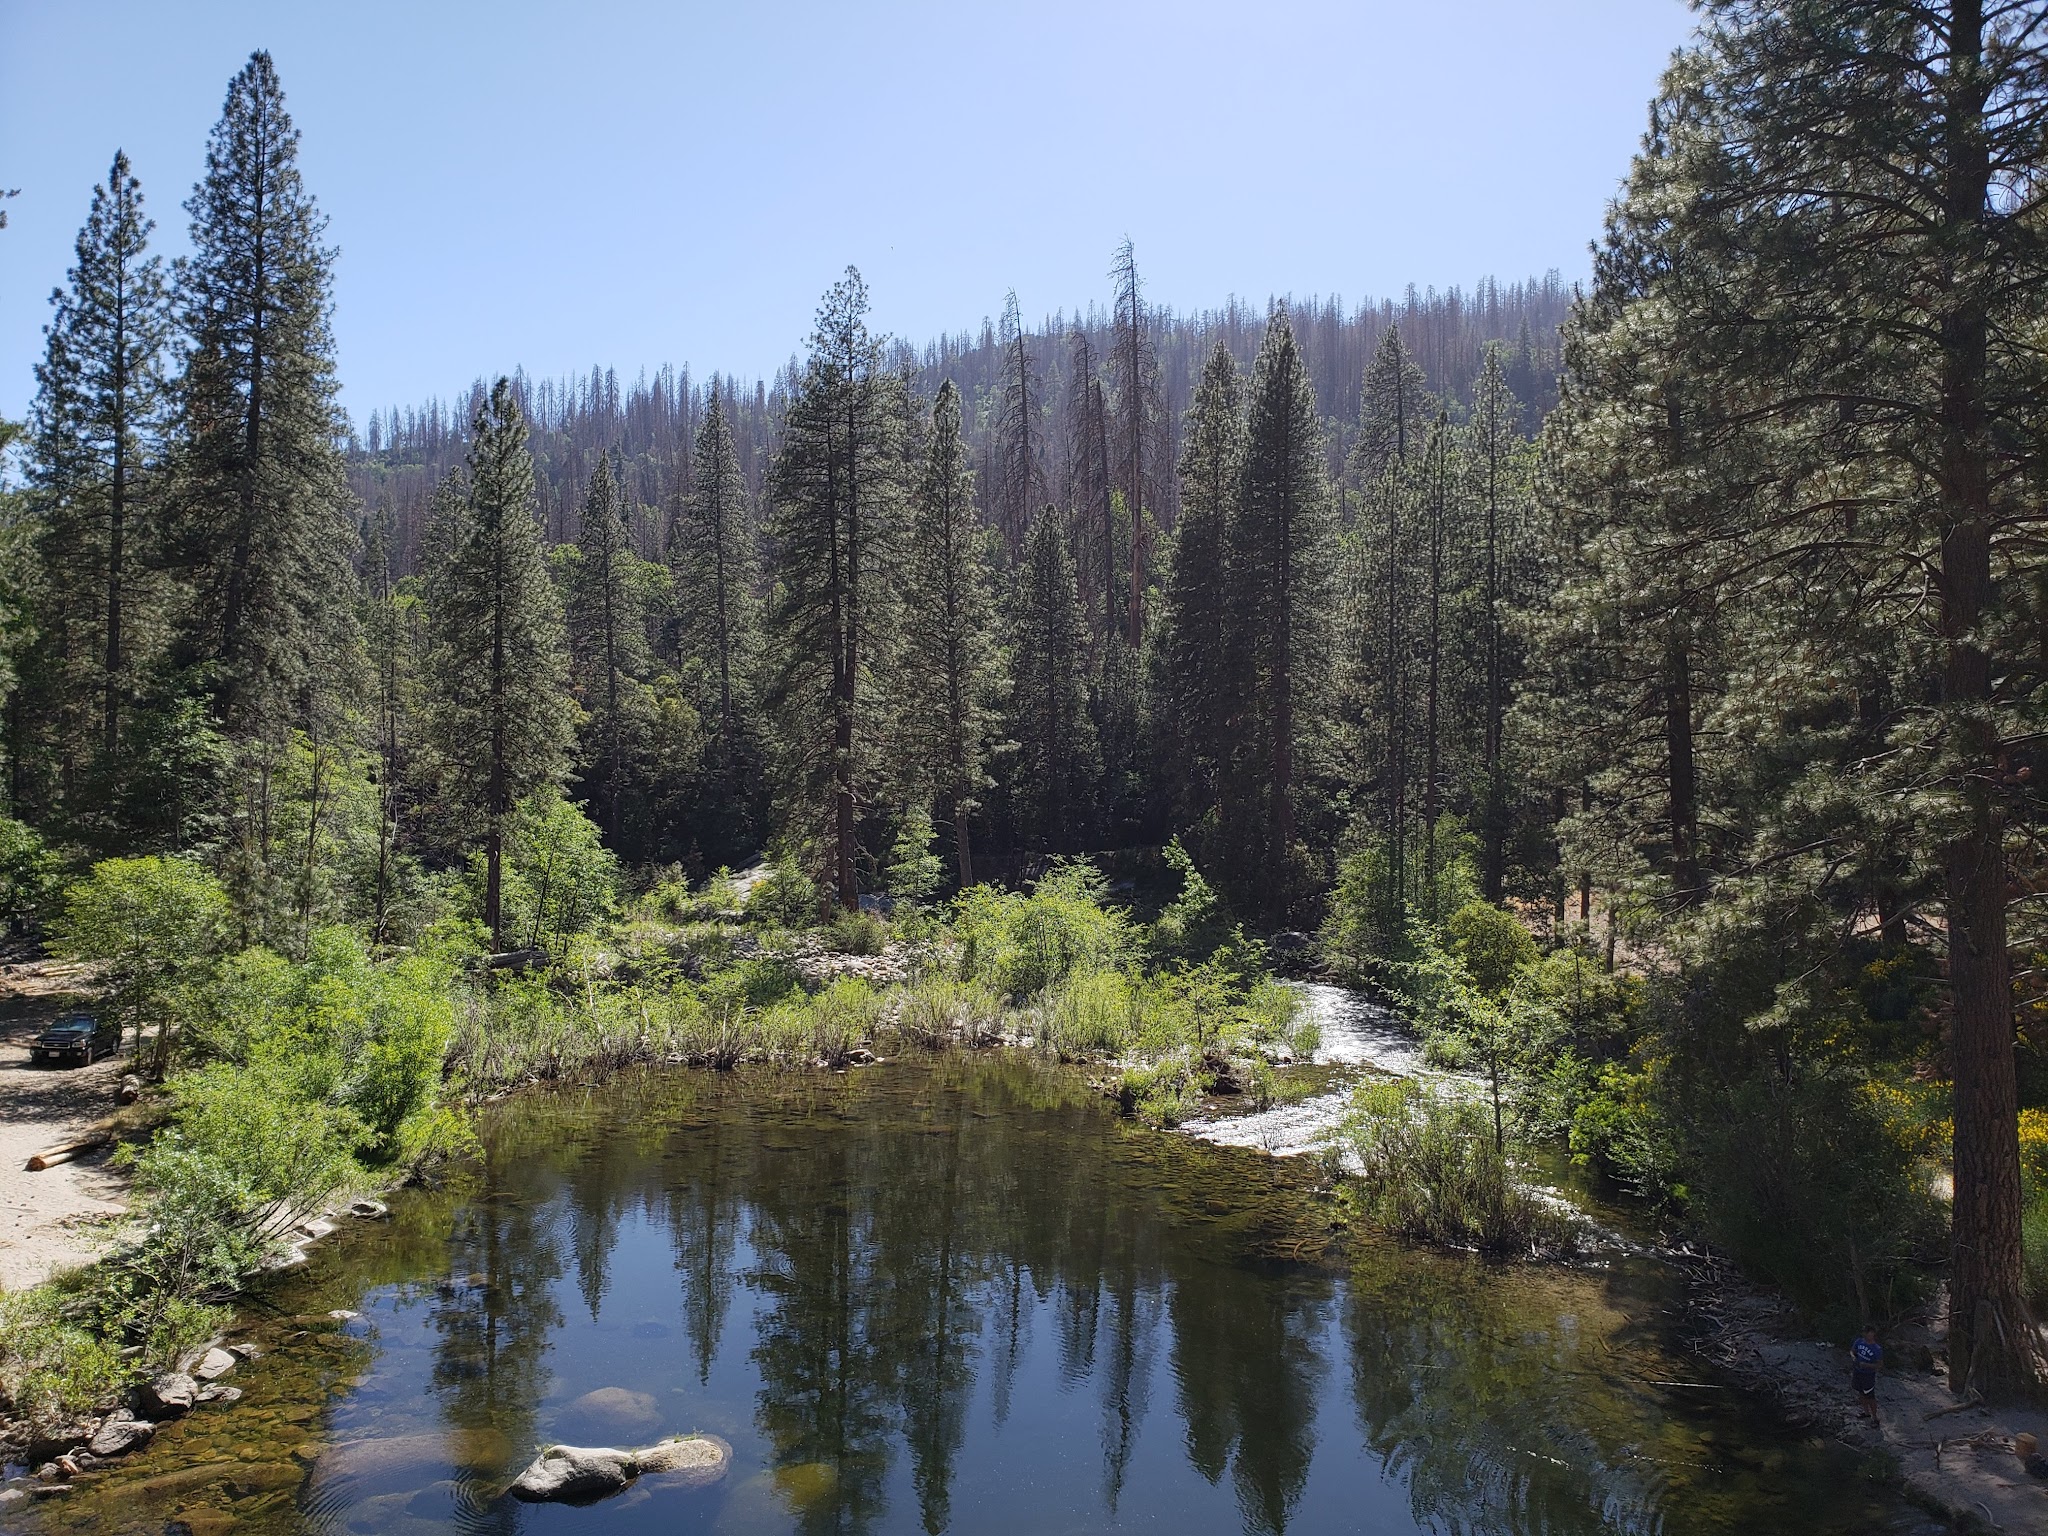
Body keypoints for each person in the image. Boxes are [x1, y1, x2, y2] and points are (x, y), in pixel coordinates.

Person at [1849, 1326, 1882, 1423]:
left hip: (1868, 1375)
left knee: (1870, 1396)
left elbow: (1879, 1365)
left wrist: (1867, 1365)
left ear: (1872, 1333)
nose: (1865, 1335)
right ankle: (1866, 1412)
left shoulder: (1877, 1349)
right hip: (1857, 1371)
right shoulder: (1859, 1341)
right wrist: (1853, 1357)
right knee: (1860, 1392)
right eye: (1864, 1332)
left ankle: (1875, 1418)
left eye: (1867, 1332)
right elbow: (1852, 1351)